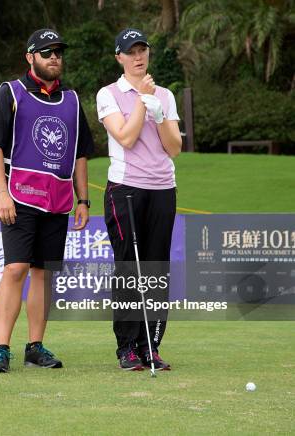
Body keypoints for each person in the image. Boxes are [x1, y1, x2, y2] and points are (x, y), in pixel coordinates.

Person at [0, 28, 94, 373]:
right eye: (47, 52)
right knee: (15, 268)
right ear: (30, 57)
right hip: (19, 197)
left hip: (57, 202)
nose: (54, 57)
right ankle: (1, 348)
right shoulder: (10, 92)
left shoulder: (72, 100)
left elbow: (81, 154)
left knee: (43, 274)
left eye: (58, 52)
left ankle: (35, 347)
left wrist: (83, 200)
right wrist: (0, 192)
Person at [96, 28, 182, 371]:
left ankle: (151, 346)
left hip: (163, 188)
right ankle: (127, 347)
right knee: (130, 269)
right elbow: (127, 137)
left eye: (142, 50)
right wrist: (142, 104)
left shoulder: (165, 94)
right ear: (119, 57)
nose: (138, 56)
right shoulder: (109, 94)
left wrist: (159, 112)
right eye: (130, 52)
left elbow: (174, 147)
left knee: (155, 270)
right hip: (126, 189)